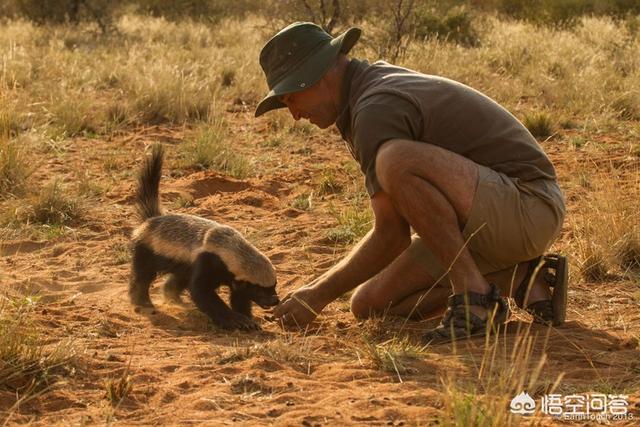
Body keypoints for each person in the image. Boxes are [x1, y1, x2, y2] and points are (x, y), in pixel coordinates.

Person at [255, 22, 568, 343]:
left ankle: (473, 297)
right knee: (369, 305)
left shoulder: (375, 107)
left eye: (292, 98)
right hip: (488, 216)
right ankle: (517, 279)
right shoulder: (363, 92)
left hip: (529, 205)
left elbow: (392, 236)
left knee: (396, 159)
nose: (293, 113)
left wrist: (317, 294)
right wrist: (319, 290)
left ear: (318, 75)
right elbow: (396, 227)